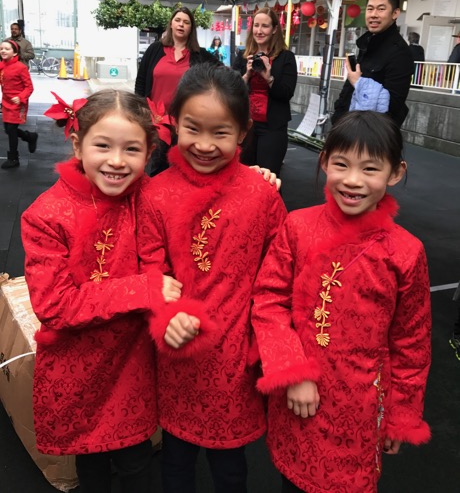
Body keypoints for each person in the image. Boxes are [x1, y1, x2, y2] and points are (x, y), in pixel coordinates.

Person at [251, 111, 432, 493]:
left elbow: (411, 342)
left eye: (370, 169)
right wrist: (292, 371)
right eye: (341, 165)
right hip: (299, 401)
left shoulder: (405, 252)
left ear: (395, 173)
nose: (352, 180)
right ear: (324, 162)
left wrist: (402, 414)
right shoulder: (298, 226)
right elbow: (268, 301)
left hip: (361, 409)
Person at [21, 89, 183, 493]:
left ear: (149, 152)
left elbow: (201, 197)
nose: (116, 160)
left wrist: (255, 175)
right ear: (77, 144)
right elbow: (54, 305)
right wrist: (143, 288)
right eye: (102, 146)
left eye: (131, 149)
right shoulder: (47, 214)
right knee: (91, 463)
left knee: (135, 460)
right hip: (80, 367)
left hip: (132, 363)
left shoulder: (149, 197)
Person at [137, 62, 287, 493]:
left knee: (230, 465)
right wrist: (167, 312)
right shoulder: (155, 193)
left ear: (242, 132)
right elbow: (150, 266)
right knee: (177, 461)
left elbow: (281, 272)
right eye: (193, 129)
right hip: (177, 352)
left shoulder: (261, 195)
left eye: (220, 133)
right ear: (173, 124)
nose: (204, 145)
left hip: (236, 357)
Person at [135, 7, 218, 176]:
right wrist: (141, 110)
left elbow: (221, 75)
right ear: (171, 24)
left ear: (191, 28)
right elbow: (141, 81)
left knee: (182, 170)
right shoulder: (155, 50)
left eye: (186, 22)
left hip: (186, 124)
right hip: (157, 123)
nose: (181, 25)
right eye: (178, 20)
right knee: (154, 169)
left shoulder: (200, 55)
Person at [331, 0, 414, 127]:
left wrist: (360, 83)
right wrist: (338, 117)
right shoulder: (367, 44)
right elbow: (349, 89)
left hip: (371, 135)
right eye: (370, 9)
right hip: (346, 127)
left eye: (381, 9)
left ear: (395, 13)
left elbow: (393, 105)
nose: (373, 14)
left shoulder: (400, 52)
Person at [233, 7, 297, 176]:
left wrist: (269, 78)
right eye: (256, 25)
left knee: (267, 177)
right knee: (242, 175)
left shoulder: (286, 57)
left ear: (275, 29)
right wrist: (246, 75)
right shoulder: (242, 55)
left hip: (273, 127)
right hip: (245, 125)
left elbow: (286, 93)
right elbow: (231, 90)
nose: (259, 31)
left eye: (265, 26)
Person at [0, 39, 38, 169]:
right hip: (5, 102)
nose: (3, 51)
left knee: (11, 130)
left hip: (18, 103)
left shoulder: (21, 67)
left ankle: (13, 158)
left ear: (15, 53)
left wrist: (20, 97)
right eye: (1, 49)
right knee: (8, 129)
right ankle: (29, 136)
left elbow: (29, 87)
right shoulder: (1, 66)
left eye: (6, 49)